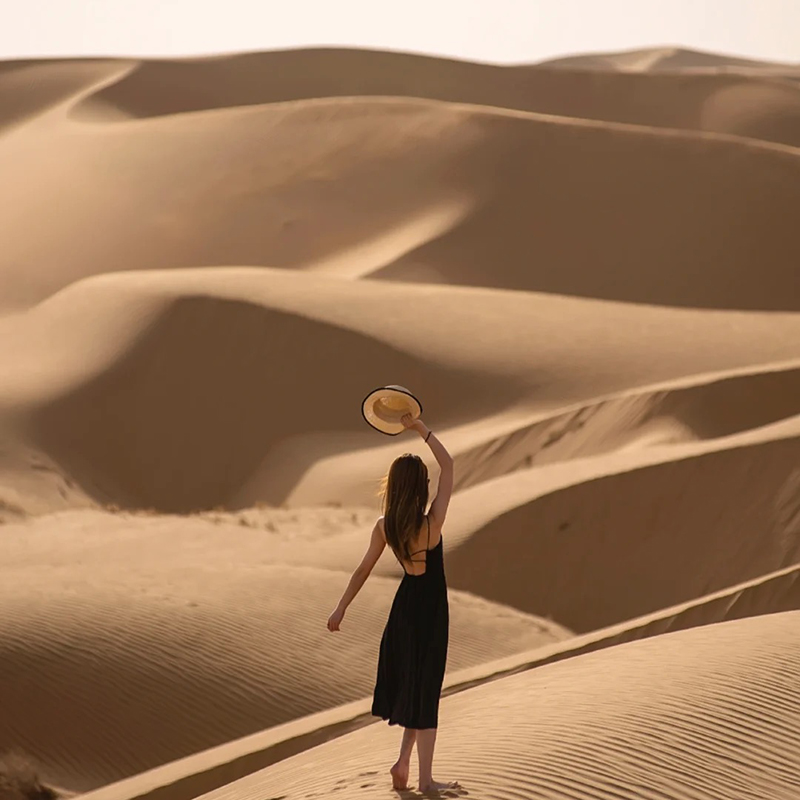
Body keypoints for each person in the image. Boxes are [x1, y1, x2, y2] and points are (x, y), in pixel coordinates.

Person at [327, 413, 457, 794]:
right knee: (427, 691)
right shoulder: (431, 524)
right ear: (420, 488)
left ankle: (402, 765)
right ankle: (426, 779)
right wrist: (421, 429)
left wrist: (340, 608)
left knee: (416, 688)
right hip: (430, 611)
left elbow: (362, 570)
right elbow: (449, 465)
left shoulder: (386, 526)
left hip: (404, 610)